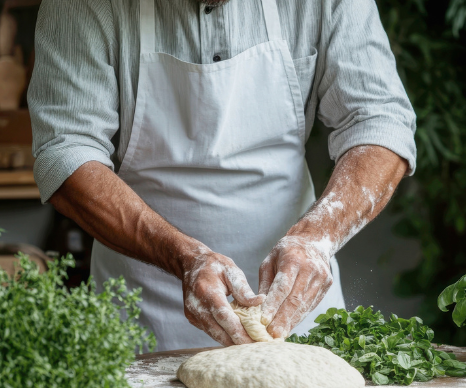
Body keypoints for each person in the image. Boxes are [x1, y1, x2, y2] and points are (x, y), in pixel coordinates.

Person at [28, 0, 416, 351]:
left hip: (299, 311)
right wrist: (183, 258)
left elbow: (379, 120)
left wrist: (316, 238)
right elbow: (66, 151)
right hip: (143, 313)